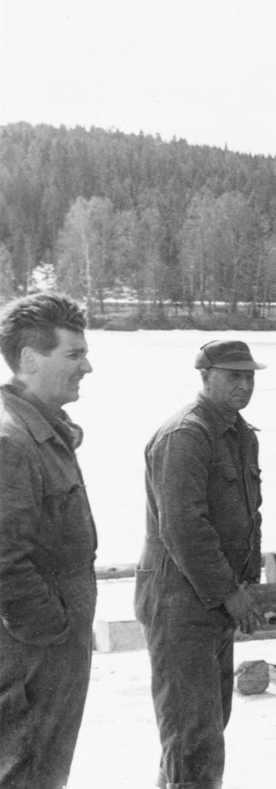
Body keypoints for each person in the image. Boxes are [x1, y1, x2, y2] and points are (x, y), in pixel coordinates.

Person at [136, 339, 267, 789]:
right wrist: (231, 593)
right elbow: (183, 528)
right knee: (192, 736)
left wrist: (247, 582)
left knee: (206, 727)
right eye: (234, 376)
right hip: (179, 603)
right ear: (205, 376)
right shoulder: (185, 436)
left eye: (249, 376)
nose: (244, 385)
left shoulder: (239, 434)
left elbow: (250, 512)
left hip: (214, 600)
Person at [0, 292, 97, 788]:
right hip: (35, 653)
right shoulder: (12, 440)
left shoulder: (40, 429)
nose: (88, 367)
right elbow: (3, 563)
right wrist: (53, 630)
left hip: (48, 647)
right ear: (31, 361)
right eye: (74, 355)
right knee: (30, 774)